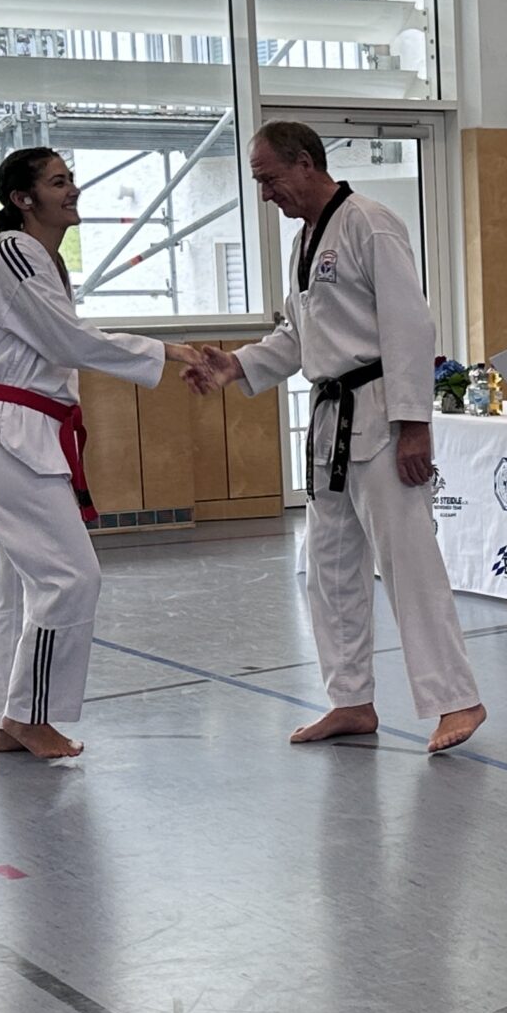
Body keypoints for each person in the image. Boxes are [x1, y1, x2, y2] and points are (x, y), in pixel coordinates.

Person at [186, 123, 486, 754]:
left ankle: (456, 699)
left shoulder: (368, 224)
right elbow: (298, 337)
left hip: (381, 414)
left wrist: (414, 425)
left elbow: (410, 326)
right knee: (329, 570)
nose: (265, 194)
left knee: (408, 563)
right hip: (331, 421)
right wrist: (235, 365)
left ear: (305, 163)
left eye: (269, 178)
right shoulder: (305, 241)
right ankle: (350, 699)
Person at [0, 147, 209, 760]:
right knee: (70, 577)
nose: (72, 190)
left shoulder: (39, 260)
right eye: (57, 182)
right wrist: (165, 351)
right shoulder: (15, 253)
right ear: (22, 199)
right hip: (11, 433)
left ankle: (7, 719)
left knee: (21, 586)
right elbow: (65, 340)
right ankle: (30, 716)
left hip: (25, 433)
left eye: (71, 179)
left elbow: (59, 340)